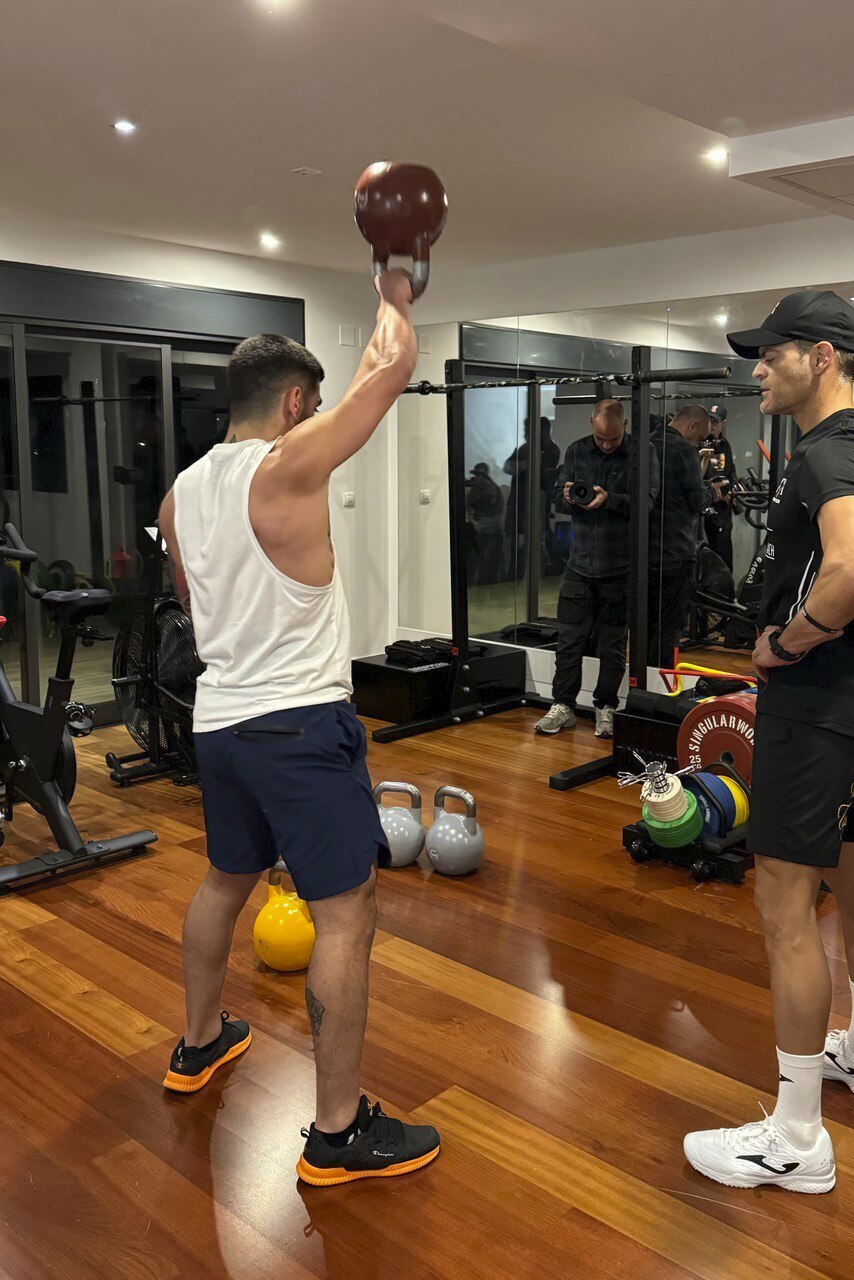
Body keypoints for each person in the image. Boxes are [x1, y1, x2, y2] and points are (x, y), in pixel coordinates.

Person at [158, 270, 441, 1188]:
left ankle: (198, 1043)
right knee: (346, 912)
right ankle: (336, 1130)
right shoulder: (286, 465)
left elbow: (191, 603)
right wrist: (395, 281)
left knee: (225, 877)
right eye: (310, 405)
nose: (314, 417)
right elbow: (389, 366)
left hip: (220, 722)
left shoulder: (182, 492)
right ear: (292, 402)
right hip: (297, 724)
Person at [683, 290, 854, 1194]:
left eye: (770, 354)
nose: (757, 370)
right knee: (853, 871)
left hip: (818, 705)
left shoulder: (827, 455)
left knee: (783, 904)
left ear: (820, 356)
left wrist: (789, 641)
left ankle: (794, 1139)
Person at [534, 399, 659, 739]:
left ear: (624, 428)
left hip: (620, 566)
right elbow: (557, 495)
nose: (606, 444)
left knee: (613, 644)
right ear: (592, 423)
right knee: (569, 640)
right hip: (580, 565)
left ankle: (606, 707)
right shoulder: (576, 451)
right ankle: (563, 705)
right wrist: (570, 498)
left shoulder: (641, 453)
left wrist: (610, 499)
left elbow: (648, 502)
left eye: (613, 439)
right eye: (601, 438)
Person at [648, 404, 720, 666]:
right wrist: (713, 492)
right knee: (669, 628)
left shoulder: (645, 445)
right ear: (692, 427)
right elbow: (697, 501)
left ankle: (640, 688)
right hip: (675, 552)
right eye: (700, 436)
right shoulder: (683, 449)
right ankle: (661, 690)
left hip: (644, 552)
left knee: (645, 625)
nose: (699, 441)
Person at [503, 416, 561, 580]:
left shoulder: (552, 450)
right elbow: (507, 467)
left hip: (537, 502)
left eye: (528, 429)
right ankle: (516, 573)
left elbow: (540, 474)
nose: (525, 433)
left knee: (539, 535)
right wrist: (525, 464)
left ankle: (548, 569)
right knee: (518, 537)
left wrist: (523, 465)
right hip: (518, 501)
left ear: (542, 430)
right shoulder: (525, 448)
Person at [702, 401, 739, 571]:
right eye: (709, 421)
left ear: (723, 423)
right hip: (703, 507)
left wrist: (731, 493)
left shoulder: (725, 446)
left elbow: (731, 472)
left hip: (722, 509)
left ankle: (726, 594)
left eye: (715, 422)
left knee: (723, 553)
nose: (711, 426)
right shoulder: (698, 445)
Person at [464, 460, 505, 585]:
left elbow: (492, 511)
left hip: (487, 528)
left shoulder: (486, 488)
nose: (475, 478)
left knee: (485, 560)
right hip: (484, 527)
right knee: (485, 560)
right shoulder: (487, 487)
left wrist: (477, 523)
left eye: (478, 475)